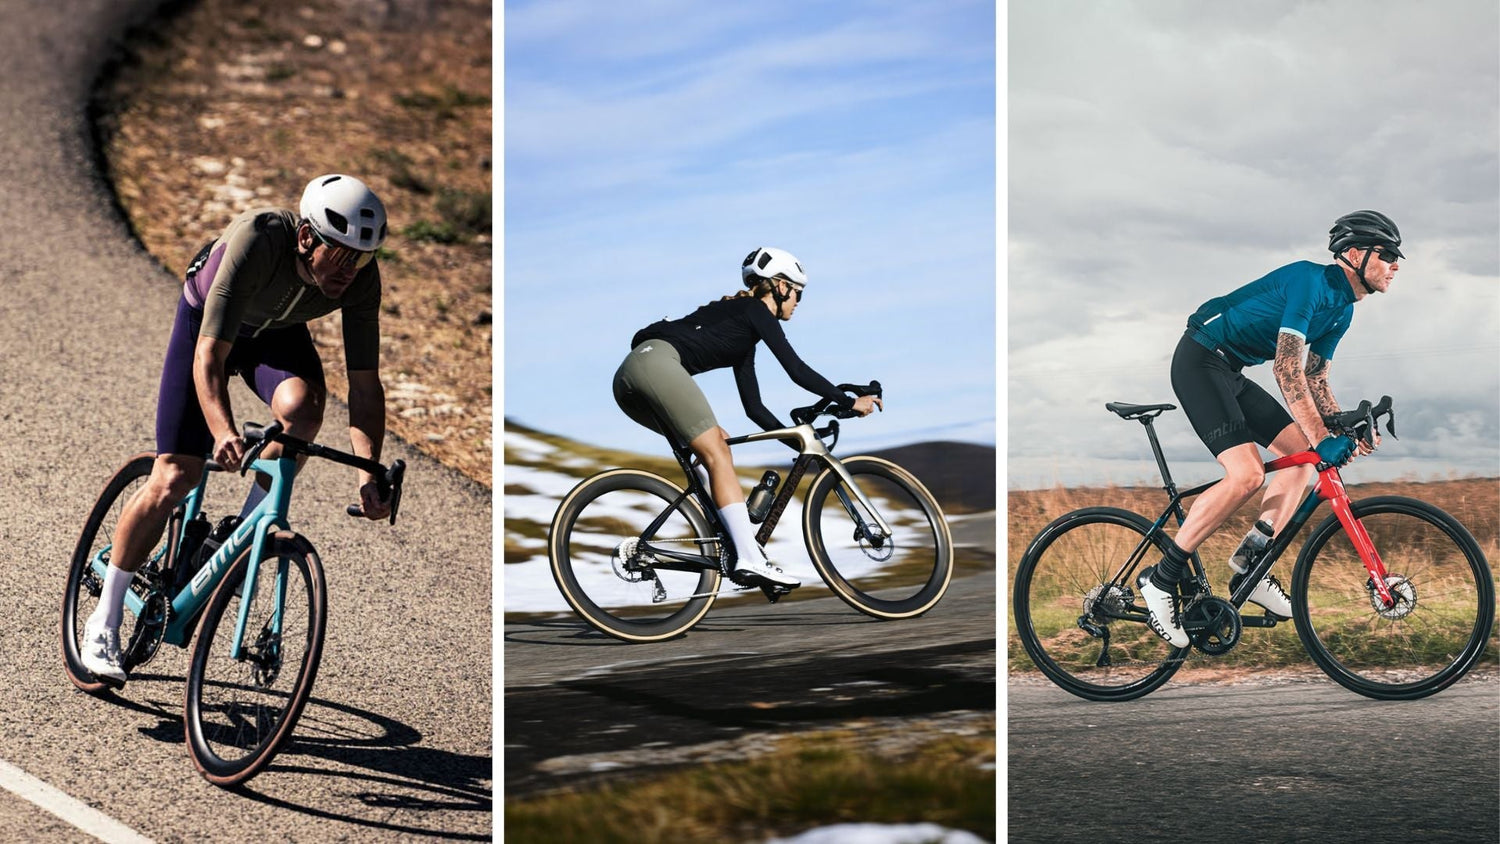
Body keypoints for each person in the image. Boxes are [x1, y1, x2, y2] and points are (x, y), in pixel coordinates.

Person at [80, 174, 395, 684]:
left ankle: (241, 535)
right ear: (306, 238)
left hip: (273, 333)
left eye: (360, 257)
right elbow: (210, 355)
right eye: (339, 254)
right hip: (206, 327)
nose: (349, 270)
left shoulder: (361, 279)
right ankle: (105, 619)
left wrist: (368, 473)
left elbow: (364, 385)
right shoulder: (258, 238)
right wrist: (222, 430)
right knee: (176, 474)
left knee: (304, 410)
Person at [1139, 210, 1402, 647]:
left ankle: (1250, 565)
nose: (1396, 265)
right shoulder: (1310, 282)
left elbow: (1316, 378)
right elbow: (1285, 369)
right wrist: (1323, 436)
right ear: (1354, 254)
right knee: (1247, 474)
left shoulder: (1343, 310)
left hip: (1231, 369)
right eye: (1388, 254)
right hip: (1200, 358)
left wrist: (1341, 427)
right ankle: (1161, 580)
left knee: (1302, 462)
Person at [612, 247, 881, 588]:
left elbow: (754, 409)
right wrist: (848, 401)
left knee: (715, 443)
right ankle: (750, 558)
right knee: (717, 451)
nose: (798, 301)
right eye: (798, 292)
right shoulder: (756, 310)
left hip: (630, 379)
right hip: (654, 365)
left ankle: (726, 541)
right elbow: (796, 370)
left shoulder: (742, 332)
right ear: (780, 286)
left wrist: (796, 440)